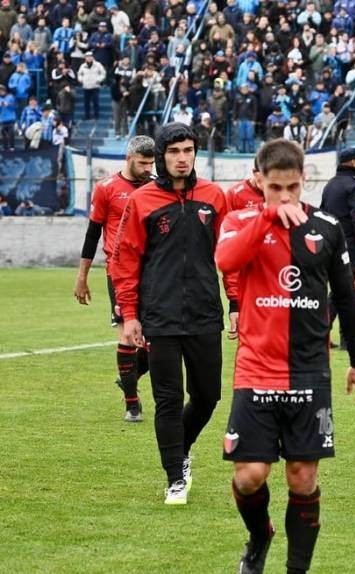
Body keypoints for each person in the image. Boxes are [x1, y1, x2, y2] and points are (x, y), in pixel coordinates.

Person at [215, 139, 355, 574]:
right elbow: (226, 260)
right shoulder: (239, 220)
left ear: (305, 181)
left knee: (303, 478)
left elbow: (346, 296)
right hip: (255, 370)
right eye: (275, 188)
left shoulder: (325, 226)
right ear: (259, 180)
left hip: (309, 372)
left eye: (293, 188)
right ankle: (259, 535)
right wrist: (265, 217)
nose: (284, 197)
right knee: (250, 475)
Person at [113, 123, 239, 504]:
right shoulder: (143, 201)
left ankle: (180, 448)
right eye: (174, 152)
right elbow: (125, 260)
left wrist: (235, 303)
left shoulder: (215, 197)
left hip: (204, 314)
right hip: (160, 317)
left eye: (188, 151)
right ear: (163, 157)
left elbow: (231, 256)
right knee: (167, 399)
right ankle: (174, 478)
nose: (182, 158)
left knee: (208, 396)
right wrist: (130, 315)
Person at [73, 136, 156, 423]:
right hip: (120, 271)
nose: (148, 168)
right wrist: (82, 276)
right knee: (128, 335)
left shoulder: (156, 186)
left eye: (151, 163)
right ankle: (132, 404)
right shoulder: (106, 189)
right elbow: (93, 233)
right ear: (129, 158)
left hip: (156, 271)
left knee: (156, 340)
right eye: (143, 162)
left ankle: (128, 377)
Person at [320, 148, 355, 346]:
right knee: (346, 291)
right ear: (353, 163)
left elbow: (322, 213)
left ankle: (346, 339)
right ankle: (322, 331)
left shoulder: (330, 185)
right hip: (350, 246)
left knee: (342, 290)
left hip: (330, 244)